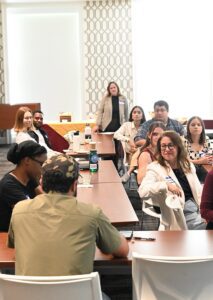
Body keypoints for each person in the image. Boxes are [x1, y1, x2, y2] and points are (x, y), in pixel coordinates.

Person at [8, 154, 129, 276]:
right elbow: (123, 251)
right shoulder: (92, 214)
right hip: (76, 294)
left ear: (41, 182)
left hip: (27, 293)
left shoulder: (19, 210)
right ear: (75, 185)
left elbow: (14, 244)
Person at [138, 131, 206, 230]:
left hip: (196, 208)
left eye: (171, 145)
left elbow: (198, 190)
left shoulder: (187, 165)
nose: (167, 149)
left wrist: (204, 210)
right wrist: (165, 185)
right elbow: (142, 191)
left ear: (178, 147)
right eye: (163, 146)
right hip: (179, 212)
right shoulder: (155, 168)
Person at [0, 141, 47, 232]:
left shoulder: (30, 178)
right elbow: (29, 215)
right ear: (27, 161)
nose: (43, 169)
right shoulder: (9, 186)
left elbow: (44, 199)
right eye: (41, 164)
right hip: (8, 237)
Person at [184, 116, 213, 183]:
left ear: (202, 127)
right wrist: (200, 161)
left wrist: (194, 161)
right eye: (193, 125)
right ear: (188, 127)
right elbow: (183, 161)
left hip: (206, 170)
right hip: (189, 172)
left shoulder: (206, 139)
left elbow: (209, 159)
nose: (196, 127)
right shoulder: (183, 141)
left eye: (199, 125)